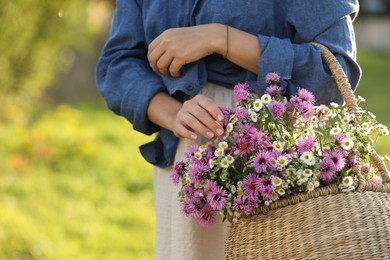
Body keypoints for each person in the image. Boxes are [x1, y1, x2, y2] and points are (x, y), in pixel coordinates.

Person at [96, 0, 361, 259]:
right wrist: (174, 114)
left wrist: (219, 38)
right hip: (186, 156)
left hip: (278, 160)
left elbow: (335, 73)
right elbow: (118, 64)